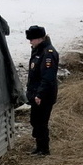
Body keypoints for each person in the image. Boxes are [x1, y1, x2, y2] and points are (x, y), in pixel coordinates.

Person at [25, 25, 59, 156]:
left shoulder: (48, 54)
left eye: (32, 39)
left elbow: (48, 77)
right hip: (36, 94)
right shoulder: (38, 50)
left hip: (44, 96)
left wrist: (40, 94)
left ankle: (44, 149)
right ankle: (39, 147)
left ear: (39, 39)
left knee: (41, 122)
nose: (30, 42)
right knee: (35, 121)